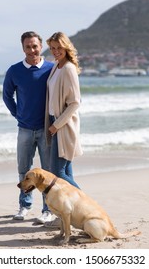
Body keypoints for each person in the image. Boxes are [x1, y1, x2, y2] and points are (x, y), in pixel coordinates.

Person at [3, 31, 54, 222]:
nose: (32, 50)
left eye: (35, 46)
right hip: (24, 129)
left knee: (47, 171)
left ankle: (48, 210)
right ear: (23, 48)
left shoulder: (51, 68)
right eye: (28, 47)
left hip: (46, 129)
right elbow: (7, 96)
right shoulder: (14, 70)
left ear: (41, 46)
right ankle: (24, 206)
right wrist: (18, 113)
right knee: (24, 169)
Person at [44, 32, 83, 228]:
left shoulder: (68, 68)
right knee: (66, 170)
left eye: (59, 47)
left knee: (58, 173)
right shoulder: (55, 67)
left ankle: (85, 204)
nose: (56, 51)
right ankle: (72, 213)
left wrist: (56, 125)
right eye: (52, 48)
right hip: (53, 122)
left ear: (66, 47)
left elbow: (75, 103)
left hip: (63, 126)